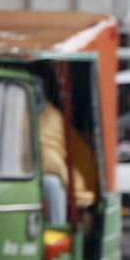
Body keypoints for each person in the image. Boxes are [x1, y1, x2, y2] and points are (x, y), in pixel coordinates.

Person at [36, 67, 99, 222]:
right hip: (81, 187)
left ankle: (58, 230)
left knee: (51, 183)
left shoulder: (51, 120)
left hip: (81, 193)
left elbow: (48, 159)